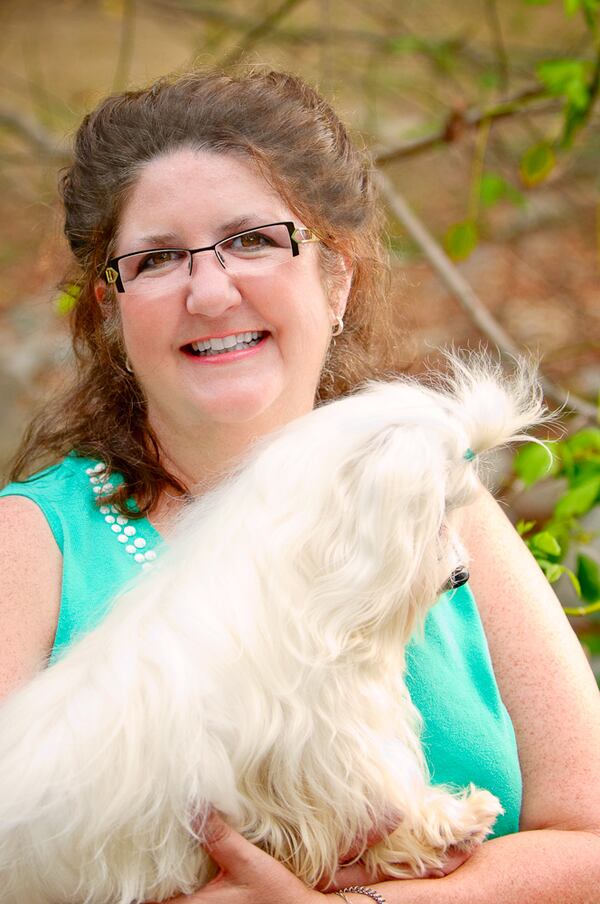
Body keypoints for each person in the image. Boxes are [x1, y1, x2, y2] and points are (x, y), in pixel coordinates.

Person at [0, 69, 599, 904]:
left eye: (253, 240)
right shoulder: (29, 544)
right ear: (110, 307)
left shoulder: (447, 513)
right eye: (157, 257)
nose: (211, 292)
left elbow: (590, 842)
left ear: (336, 277)